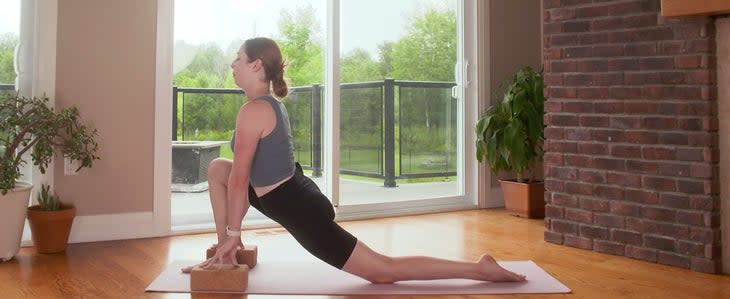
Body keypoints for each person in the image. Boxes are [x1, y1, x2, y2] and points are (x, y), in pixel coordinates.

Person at [183, 37, 526, 284]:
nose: (232, 65)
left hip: (296, 209)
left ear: (257, 65)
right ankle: (225, 252)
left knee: (382, 271)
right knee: (217, 168)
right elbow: (235, 179)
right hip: (279, 193)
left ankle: (478, 269)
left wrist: (234, 231)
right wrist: (231, 236)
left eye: (238, 58)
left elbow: (242, 181)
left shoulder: (254, 110)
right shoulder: (263, 105)